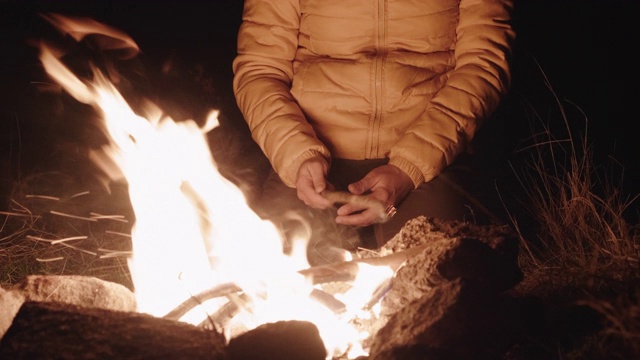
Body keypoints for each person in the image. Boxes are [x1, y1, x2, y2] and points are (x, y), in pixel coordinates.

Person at [232, 0, 515, 264]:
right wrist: (298, 155)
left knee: (436, 273)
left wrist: (408, 168)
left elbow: (482, 64)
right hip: (314, 160)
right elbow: (260, 71)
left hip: (430, 159)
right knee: (271, 274)